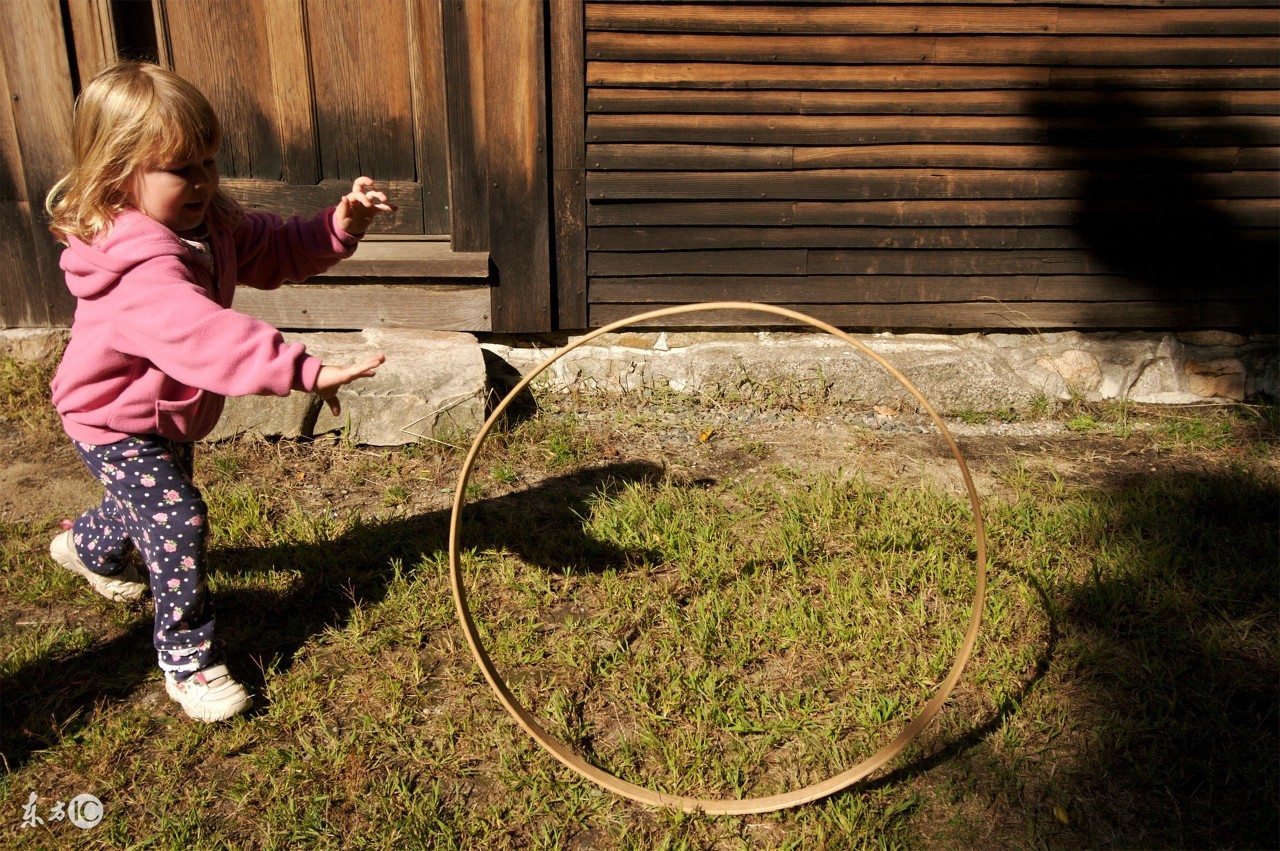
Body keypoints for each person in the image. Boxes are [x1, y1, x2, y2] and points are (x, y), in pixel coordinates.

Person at [44, 61, 393, 722]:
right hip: (112, 416)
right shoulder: (137, 265)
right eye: (181, 170)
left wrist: (339, 225)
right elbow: (201, 333)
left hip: (166, 410)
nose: (203, 180)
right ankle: (188, 659)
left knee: (144, 507)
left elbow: (278, 248)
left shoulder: (210, 226)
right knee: (177, 519)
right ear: (118, 175)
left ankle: (85, 547)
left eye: (209, 162)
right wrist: (303, 369)